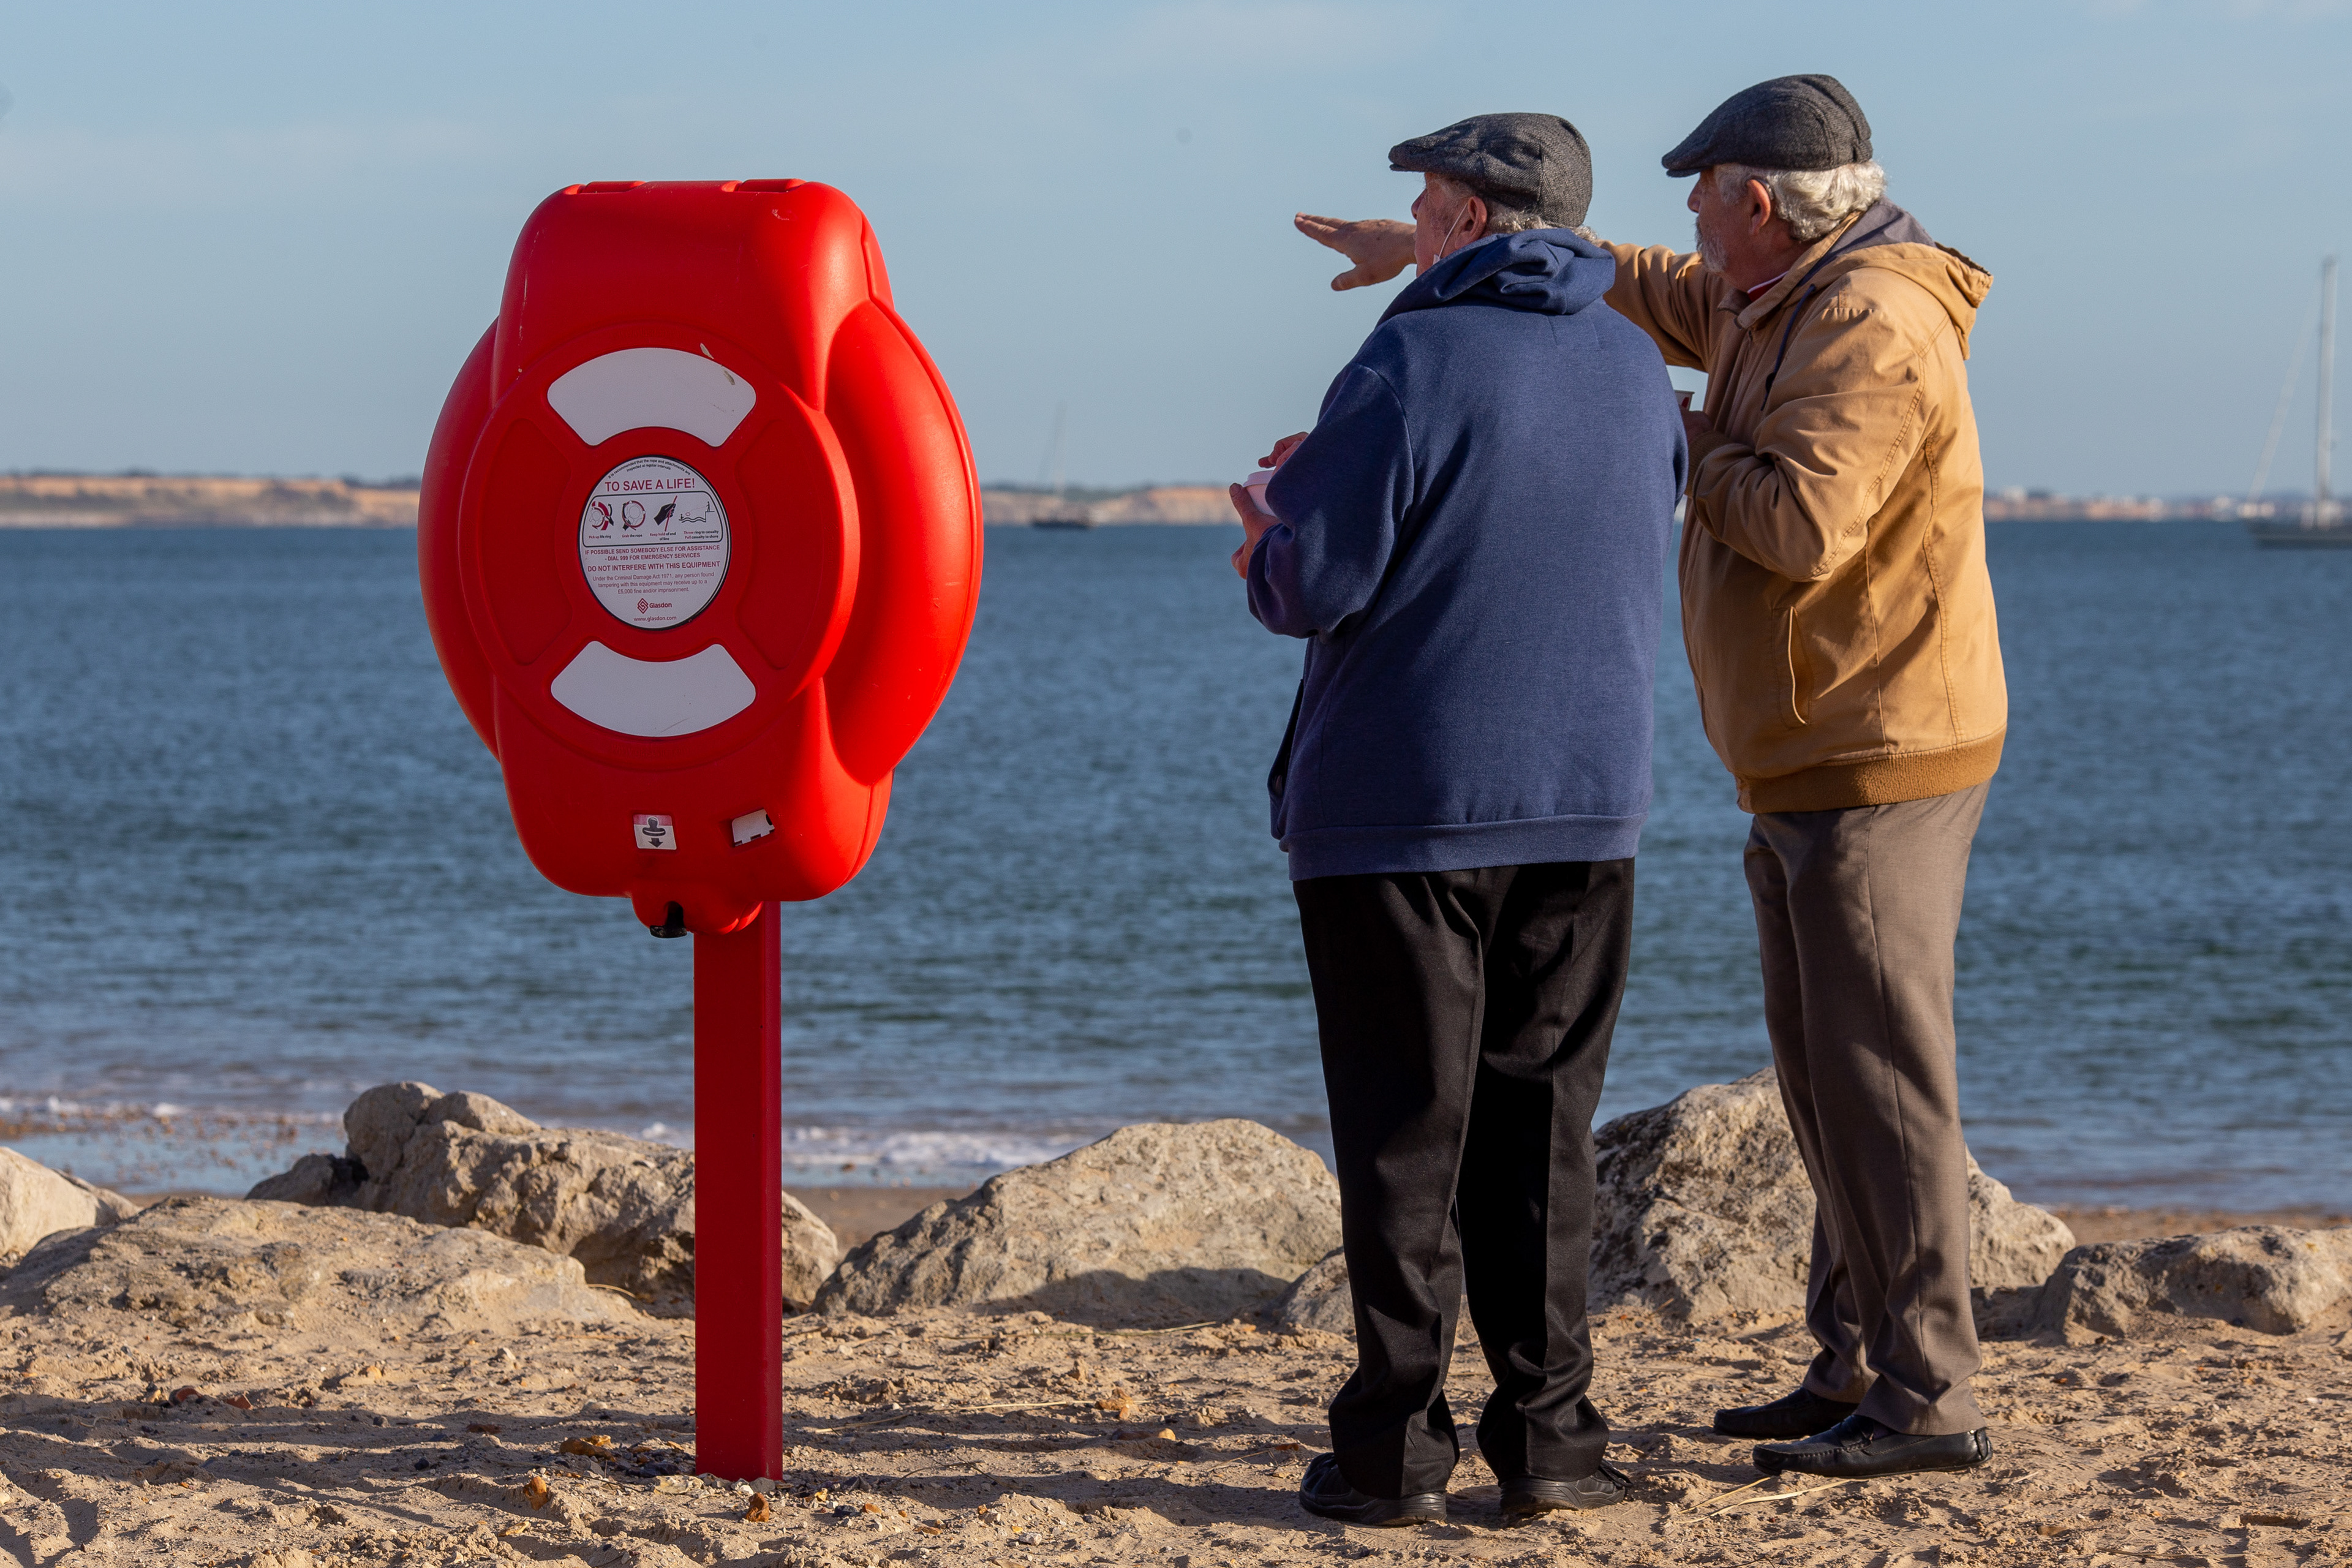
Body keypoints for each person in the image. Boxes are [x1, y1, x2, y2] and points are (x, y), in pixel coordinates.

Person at [1293, 75, 2007, 1482]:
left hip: (1878, 746)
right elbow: (1624, 274)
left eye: (1702, 186)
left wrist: (1670, 440)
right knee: (1820, 1070)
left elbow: (1802, 523)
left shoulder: (1869, 318)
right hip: (1801, 746)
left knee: (1883, 1076)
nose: (1682, 209)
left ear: (1761, 200)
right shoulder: (1770, 291)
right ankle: (1854, 1357)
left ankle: (1929, 1394)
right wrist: (1426, 247)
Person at [1233, 113, 1684, 1526]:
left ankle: (1392, 1447)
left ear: (1474, 224)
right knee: (1542, 1126)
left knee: (1403, 1131)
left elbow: (1315, 580)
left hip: (1407, 806)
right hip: (1589, 797)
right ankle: (1551, 1438)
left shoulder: (1412, 353)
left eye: (1426, 212)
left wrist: (1264, 518)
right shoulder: (1635, 362)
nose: (1413, 237)